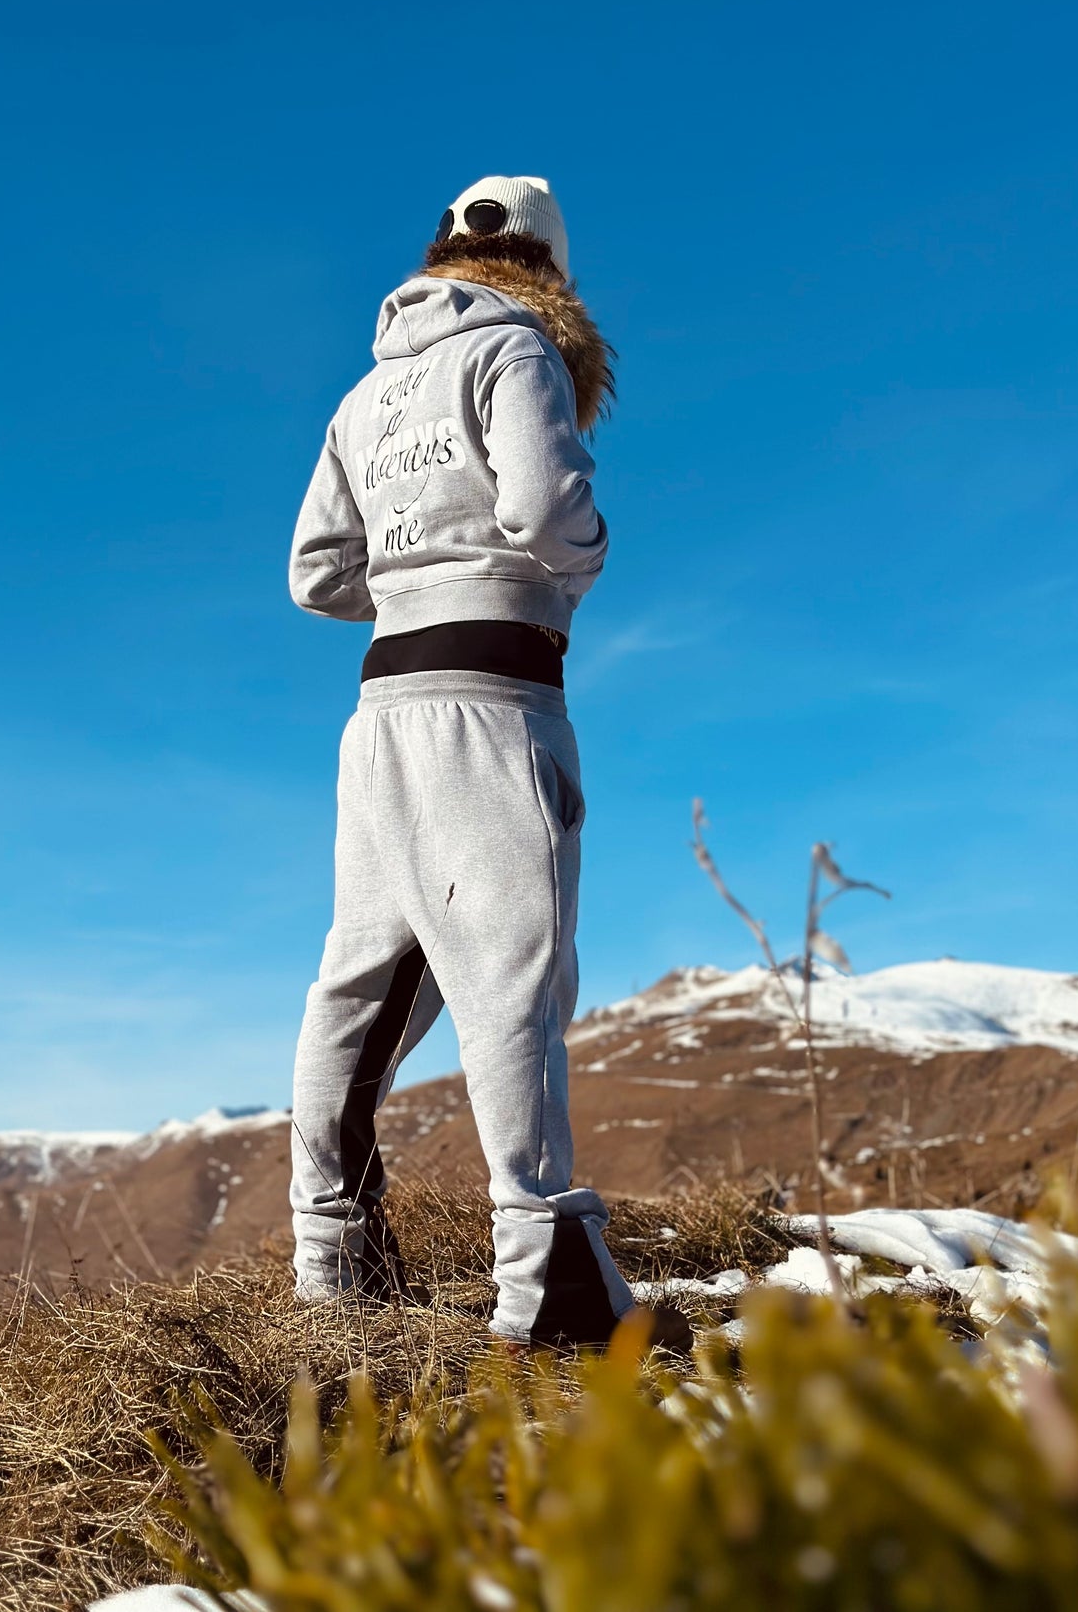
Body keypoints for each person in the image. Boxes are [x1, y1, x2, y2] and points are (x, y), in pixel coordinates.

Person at [286, 175, 688, 1352]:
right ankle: (549, 1278)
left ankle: (331, 1257)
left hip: (380, 710)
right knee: (513, 980)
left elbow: (315, 573)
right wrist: (570, 560)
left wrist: (410, 581)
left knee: (361, 981)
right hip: (494, 693)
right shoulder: (516, 350)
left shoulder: (361, 398)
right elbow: (548, 510)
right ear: (549, 267)